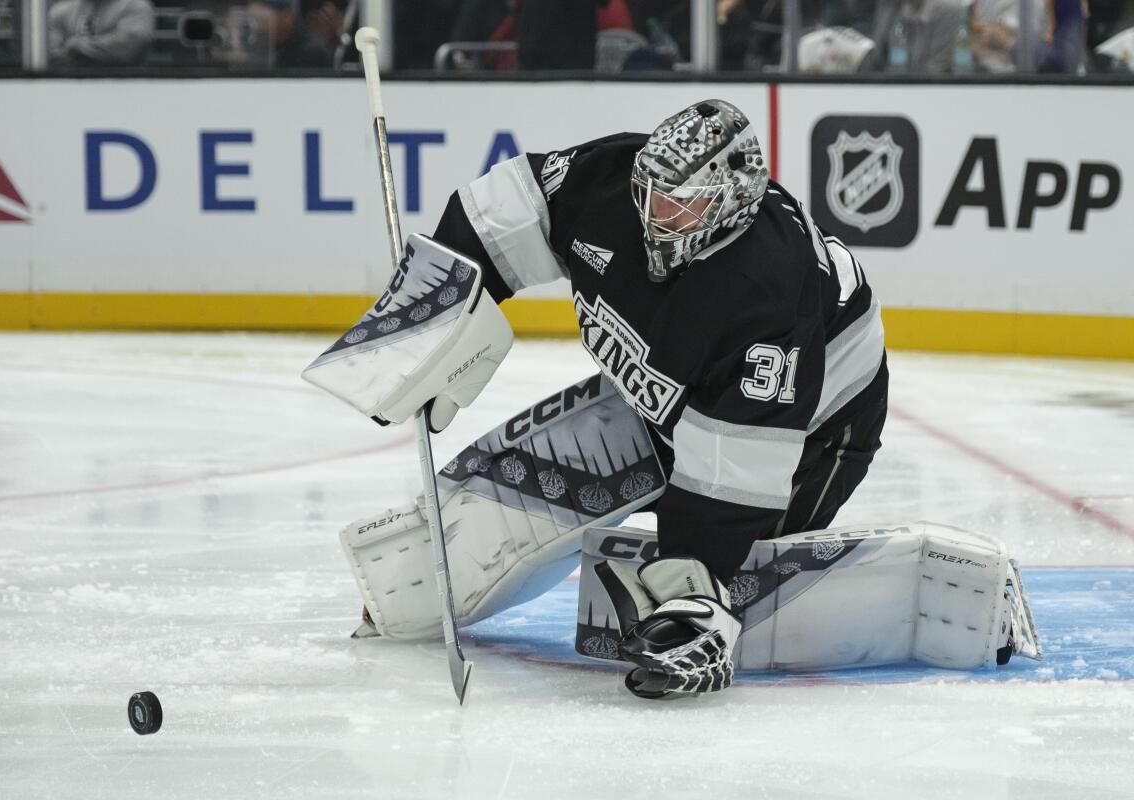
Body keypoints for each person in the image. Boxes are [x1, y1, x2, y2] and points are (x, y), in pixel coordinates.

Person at [327, 100, 888, 698]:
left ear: (731, 197)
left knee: (732, 563)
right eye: (649, 195)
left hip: (815, 427)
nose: (653, 217)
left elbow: (738, 466)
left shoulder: (766, 292)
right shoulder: (609, 182)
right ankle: (410, 598)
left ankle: (710, 593)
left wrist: (691, 584)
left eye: (678, 205)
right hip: (672, 395)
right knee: (536, 479)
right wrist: (437, 316)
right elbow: (499, 217)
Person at [47, 0, 153, 67]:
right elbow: (49, 53)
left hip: (124, 88)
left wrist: (78, 47)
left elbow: (128, 47)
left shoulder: (136, 6)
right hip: (66, 88)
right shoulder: (60, 10)